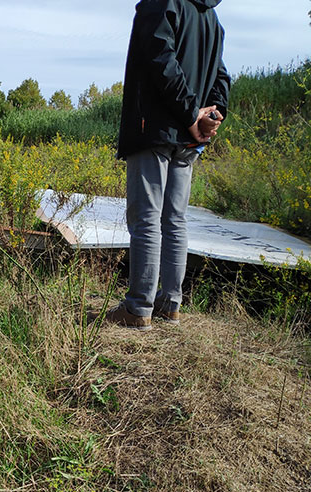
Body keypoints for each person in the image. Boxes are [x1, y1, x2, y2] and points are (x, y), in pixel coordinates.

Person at [106, 0, 230, 331]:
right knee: (174, 219)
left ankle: (138, 310)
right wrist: (211, 118)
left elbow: (161, 61)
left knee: (146, 219)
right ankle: (169, 305)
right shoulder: (210, 16)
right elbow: (221, 77)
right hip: (188, 139)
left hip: (155, 129)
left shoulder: (162, 3)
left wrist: (193, 118)